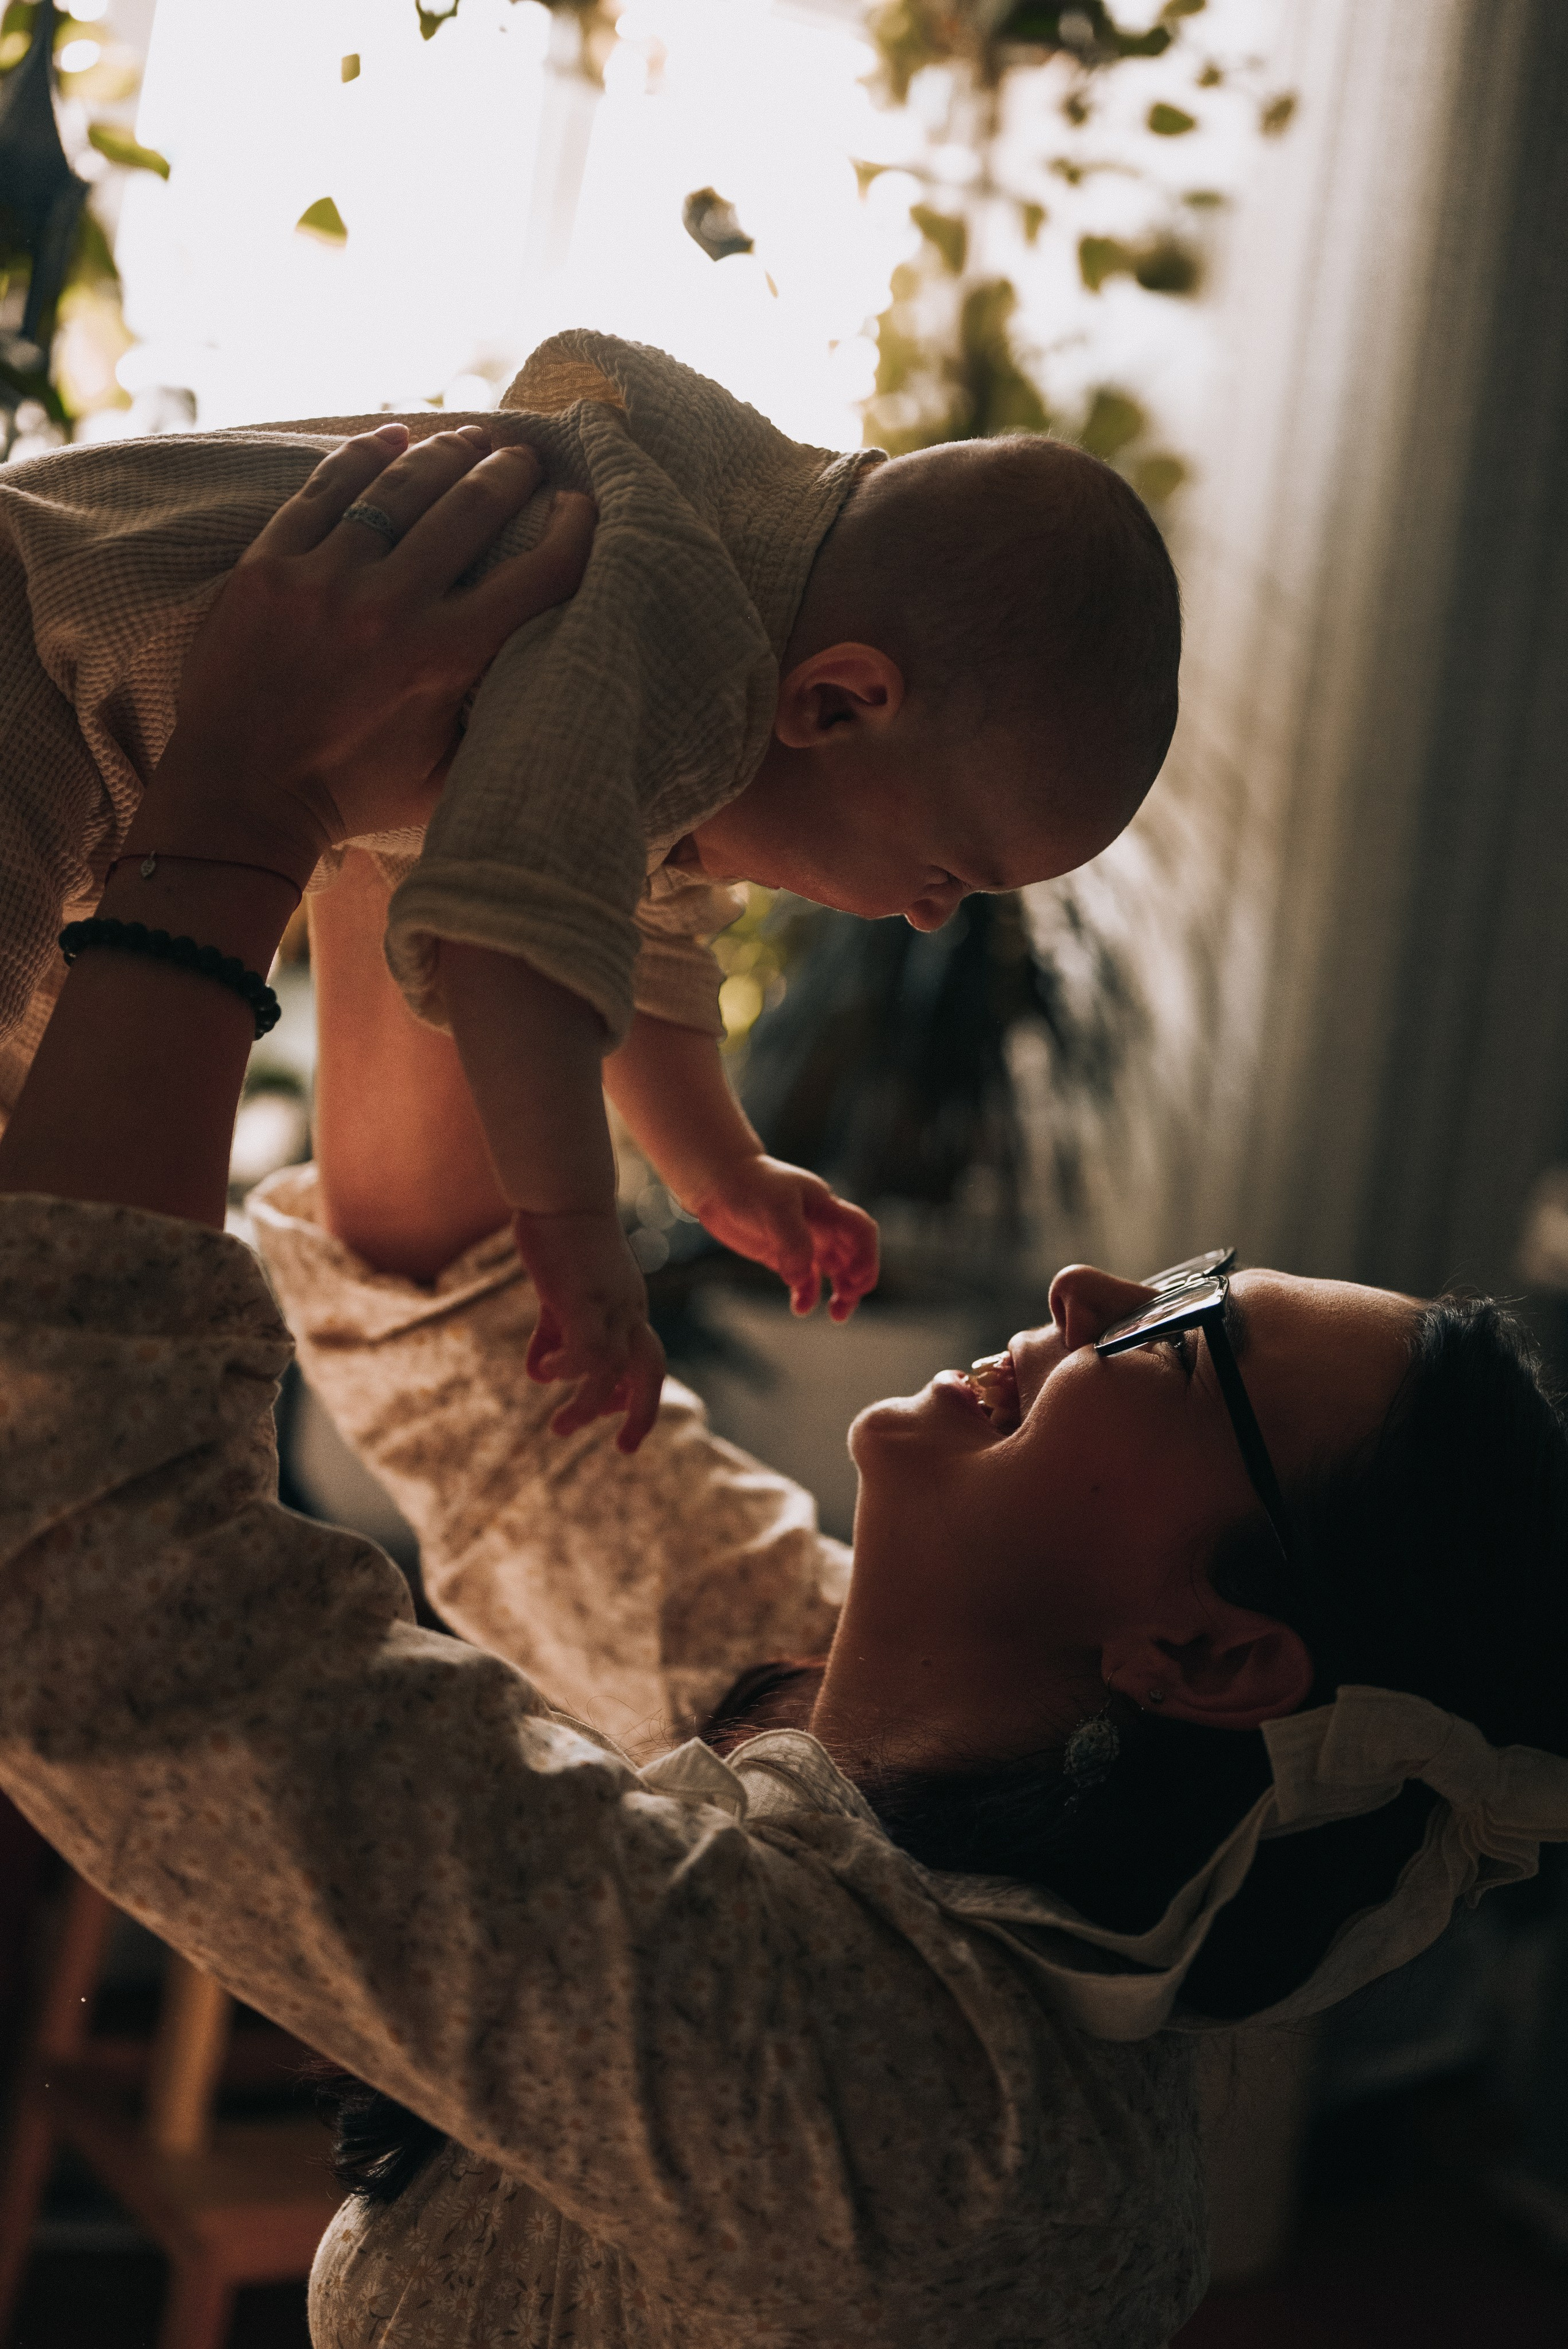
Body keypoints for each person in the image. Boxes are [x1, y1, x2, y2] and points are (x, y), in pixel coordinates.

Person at [2, 436, 1566, 2349]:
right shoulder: (860, 1715)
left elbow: (96, 1608)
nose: (1087, 1289)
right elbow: (484, 1376)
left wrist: (239, 795)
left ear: (1212, 1653)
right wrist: (455, 758)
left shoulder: (935, 2132)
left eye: (1177, 1340)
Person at [0, 328, 1179, 1449]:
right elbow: (515, 943)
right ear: (838, 702)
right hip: (35, 670)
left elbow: (637, 940)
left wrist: (722, 1170)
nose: (930, 917)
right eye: (949, 876)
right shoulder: (680, 631)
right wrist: (572, 1237)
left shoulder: (692, 664)